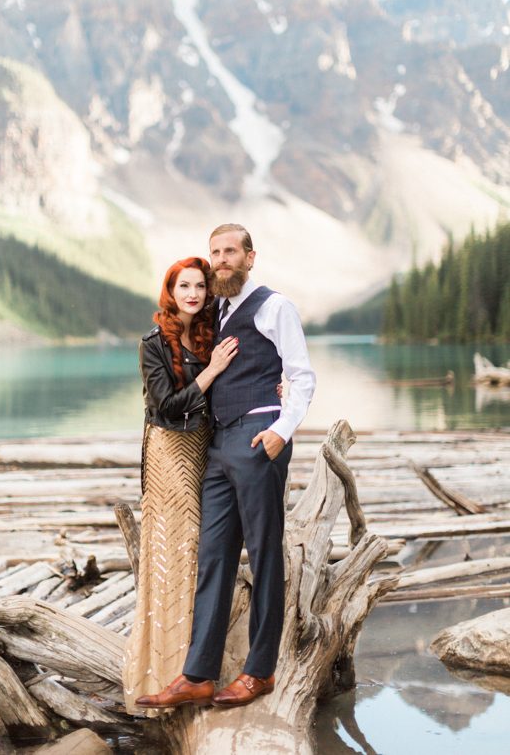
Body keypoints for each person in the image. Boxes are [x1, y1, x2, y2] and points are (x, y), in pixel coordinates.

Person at [135, 223, 316, 710]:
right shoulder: (216, 310)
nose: (221, 261)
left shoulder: (275, 307)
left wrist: (282, 430)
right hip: (218, 446)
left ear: (250, 257)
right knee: (213, 556)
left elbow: (300, 375)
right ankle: (198, 675)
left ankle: (260, 671)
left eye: (231, 252)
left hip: (258, 439)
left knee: (263, 556)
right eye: (215, 252)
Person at [123, 256, 238, 713]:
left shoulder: (212, 333)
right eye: (183, 286)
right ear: (170, 292)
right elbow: (167, 406)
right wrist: (211, 372)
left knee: (204, 551)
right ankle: (167, 671)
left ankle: (201, 668)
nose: (193, 294)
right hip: (170, 453)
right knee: (173, 552)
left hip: (207, 449)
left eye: (200, 287)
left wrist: (280, 390)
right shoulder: (153, 343)